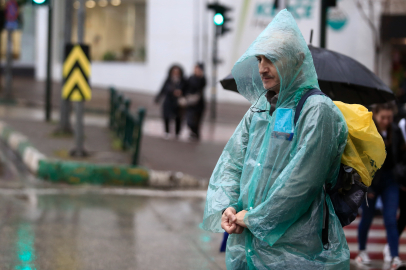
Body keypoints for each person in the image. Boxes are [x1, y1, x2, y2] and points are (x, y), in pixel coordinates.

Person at [201, 10, 350, 269]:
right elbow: (233, 162)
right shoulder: (260, 107)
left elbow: (302, 182)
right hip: (248, 246)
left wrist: (256, 219)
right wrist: (228, 206)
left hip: (295, 253)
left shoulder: (317, 110)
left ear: (297, 59)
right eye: (259, 58)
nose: (262, 68)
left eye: (271, 58)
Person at [356, 103, 403, 268]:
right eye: (383, 117)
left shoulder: (395, 131)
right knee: (367, 218)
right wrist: (366, 186)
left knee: (390, 218)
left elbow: (402, 156)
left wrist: (400, 175)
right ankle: (361, 251)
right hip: (371, 181)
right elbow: (360, 158)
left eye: (389, 118)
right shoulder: (368, 130)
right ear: (375, 115)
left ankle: (395, 256)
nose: (386, 121)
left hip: (390, 180)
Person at [155, 65, 188, 139]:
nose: (175, 74)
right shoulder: (168, 80)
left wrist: (181, 92)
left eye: (177, 72)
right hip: (168, 101)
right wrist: (158, 98)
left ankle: (177, 133)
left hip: (178, 102)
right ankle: (167, 131)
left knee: (178, 118)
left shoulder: (183, 81)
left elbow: (187, 90)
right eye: (174, 72)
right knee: (166, 116)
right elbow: (163, 89)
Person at [186, 63, 206, 140]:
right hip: (190, 102)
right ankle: (193, 132)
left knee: (197, 120)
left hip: (199, 103)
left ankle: (196, 134)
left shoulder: (202, 78)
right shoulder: (191, 77)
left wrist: (199, 76)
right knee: (190, 120)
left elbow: (201, 86)